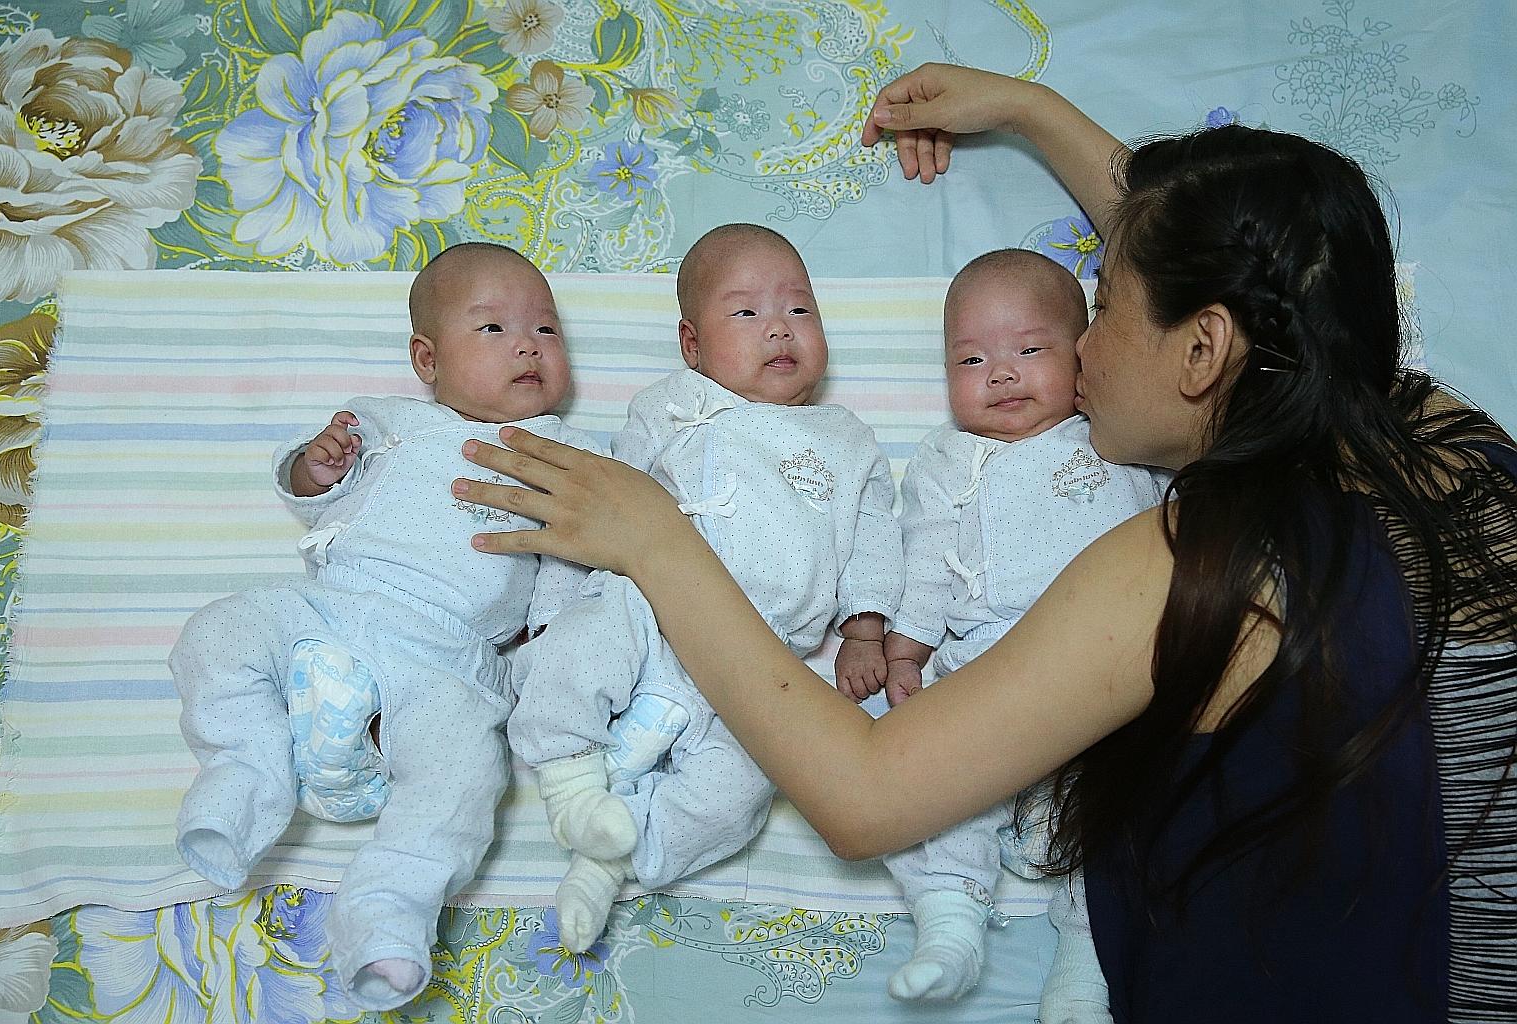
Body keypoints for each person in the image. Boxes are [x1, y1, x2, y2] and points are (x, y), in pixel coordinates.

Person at [454, 64, 1517, 1023]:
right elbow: (1242, 268)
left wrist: (656, 541)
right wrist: (1024, 109)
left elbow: (867, 795)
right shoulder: (1436, 433)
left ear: (1203, 349)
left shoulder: (1204, 568)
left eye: (1100, 308)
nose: (1078, 343)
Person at [168, 243, 602, 1011]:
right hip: (334, 605)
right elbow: (311, 493)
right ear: (427, 359)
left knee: (466, 776)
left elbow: (573, 558)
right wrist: (315, 468)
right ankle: (244, 776)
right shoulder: (386, 420)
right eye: (494, 329)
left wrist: (552, 637)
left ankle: (389, 916)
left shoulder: (567, 453)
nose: (529, 345)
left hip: (451, 656)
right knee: (214, 635)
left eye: (546, 329)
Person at [505, 223, 902, 953]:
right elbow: (603, 501)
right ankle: (568, 782)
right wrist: (558, 613)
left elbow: (875, 530)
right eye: (746, 313)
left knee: (745, 785)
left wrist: (865, 626)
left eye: (800, 310)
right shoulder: (672, 407)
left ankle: (618, 858)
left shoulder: (845, 438)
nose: (778, 328)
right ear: (693, 347)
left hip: (764, 659)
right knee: (579, 654)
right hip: (648, 605)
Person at [875, 248, 1164, 1009]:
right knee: (935, 778)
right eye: (971, 359)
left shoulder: (1111, 439)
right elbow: (926, 554)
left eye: (1030, 350)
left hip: (1106, 669)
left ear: (1084, 361)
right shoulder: (948, 458)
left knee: (1123, 808)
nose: (1000, 374)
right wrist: (907, 648)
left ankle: (1086, 959)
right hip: (983, 662)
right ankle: (949, 919)